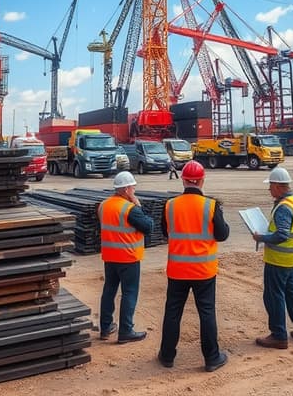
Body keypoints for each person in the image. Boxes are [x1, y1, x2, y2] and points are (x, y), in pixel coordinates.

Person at [158, 159, 230, 372]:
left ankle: (167, 356)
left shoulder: (170, 205)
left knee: (172, 312)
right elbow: (222, 235)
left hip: (178, 269)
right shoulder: (211, 205)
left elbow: (165, 232)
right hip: (203, 271)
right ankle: (211, 358)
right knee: (206, 312)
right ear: (201, 180)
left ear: (183, 180)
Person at [253, 166, 293, 349]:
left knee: (274, 296)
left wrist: (261, 237)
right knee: (292, 293)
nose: (269, 189)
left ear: (278, 186)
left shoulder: (283, 207)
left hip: (278, 261)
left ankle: (279, 335)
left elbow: (282, 235)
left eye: (270, 185)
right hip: (292, 260)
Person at [98, 170, 154, 343]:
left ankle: (106, 327)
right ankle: (125, 331)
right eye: (133, 188)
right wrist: (138, 206)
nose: (135, 191)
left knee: (109, 290)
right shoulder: (130, 209)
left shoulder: (103, 205)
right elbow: (148, 226)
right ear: (127, 189)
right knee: (129, 292)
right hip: (128, 257)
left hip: (110, 256)